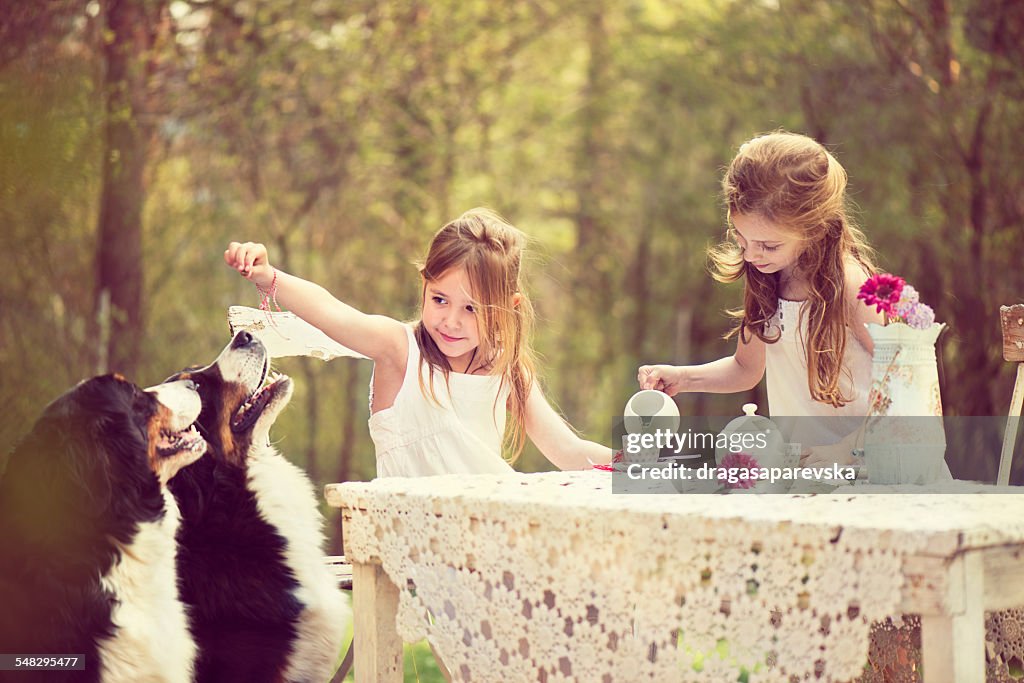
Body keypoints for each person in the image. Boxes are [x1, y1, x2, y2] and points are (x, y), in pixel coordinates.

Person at [225, 208, 612, 476]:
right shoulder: (399, 351)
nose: (451, 321)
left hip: (491, 541)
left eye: (472, 309)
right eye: (440, 299)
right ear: (425, 285)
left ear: (507, 309)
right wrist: (268, 275)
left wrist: (656, 472)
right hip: (413, 548)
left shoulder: (508, 371)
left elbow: (570, 453)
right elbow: (333, 311)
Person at [638, 131, 883, 466]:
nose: (751, 255)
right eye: (742, 240)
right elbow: (745, 367)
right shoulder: (767, 275)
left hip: (867, 471)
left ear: (814, 228)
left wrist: (846, 452)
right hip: (804, 471)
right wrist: (685, 377)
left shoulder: (854, 286)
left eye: (768, 245)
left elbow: (903, 389)